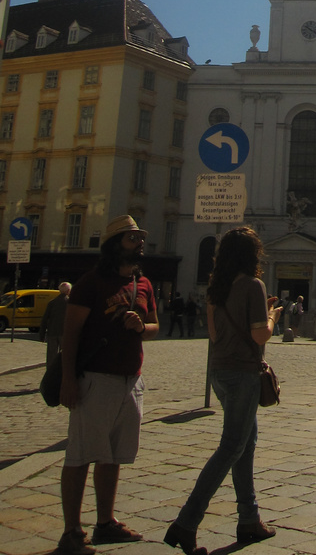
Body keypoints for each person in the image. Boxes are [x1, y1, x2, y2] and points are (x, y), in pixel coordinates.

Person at [165, 227, 281, 555]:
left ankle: (249, 520)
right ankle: (186, 523)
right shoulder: (253, 285)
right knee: (231, 448)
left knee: (245, 445)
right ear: (251, 254)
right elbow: (260, 336)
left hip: (218, 371)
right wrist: (271, 315)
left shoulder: (216, 288)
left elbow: (214, 333)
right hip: (243, 374)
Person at [57, 216, 158, 555]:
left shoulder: (142, 284)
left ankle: (105, 523)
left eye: (140, 238)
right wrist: (68, 380)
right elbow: (70, 335)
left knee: (112, 456)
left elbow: (155, 326)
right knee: (80, 456)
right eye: (132, 238)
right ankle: (71, 532)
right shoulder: (91, 282)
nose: (139, 243)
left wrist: (142, 327)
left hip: (131, 381)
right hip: (95, 380)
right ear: (115, 245)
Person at [40, 281, 71, 368]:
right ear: (68, 290)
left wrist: (42, 334)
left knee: (51, 356)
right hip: (65, 333)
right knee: (65, 356)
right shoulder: (70, 303)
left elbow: (45, 319)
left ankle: (50, 374)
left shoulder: (52, 303)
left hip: (52, 332)